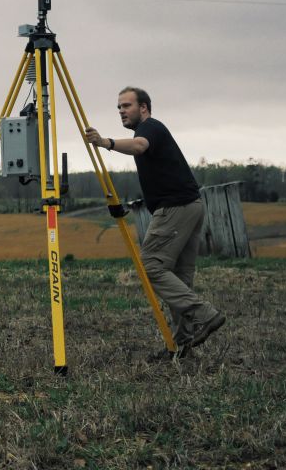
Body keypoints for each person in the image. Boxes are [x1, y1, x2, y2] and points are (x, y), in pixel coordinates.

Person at [85, 87, 225, 360]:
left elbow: (139, 147)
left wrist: (105, 142)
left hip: (175, 209)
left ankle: (205, 314)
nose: (122, 111)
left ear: (144, 108)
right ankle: (182, 344)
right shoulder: (151, 128)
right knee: (180, 278)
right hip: (190, 206)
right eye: (119, 108)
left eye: (127, 106)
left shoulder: (150, 129)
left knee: (150, 266)